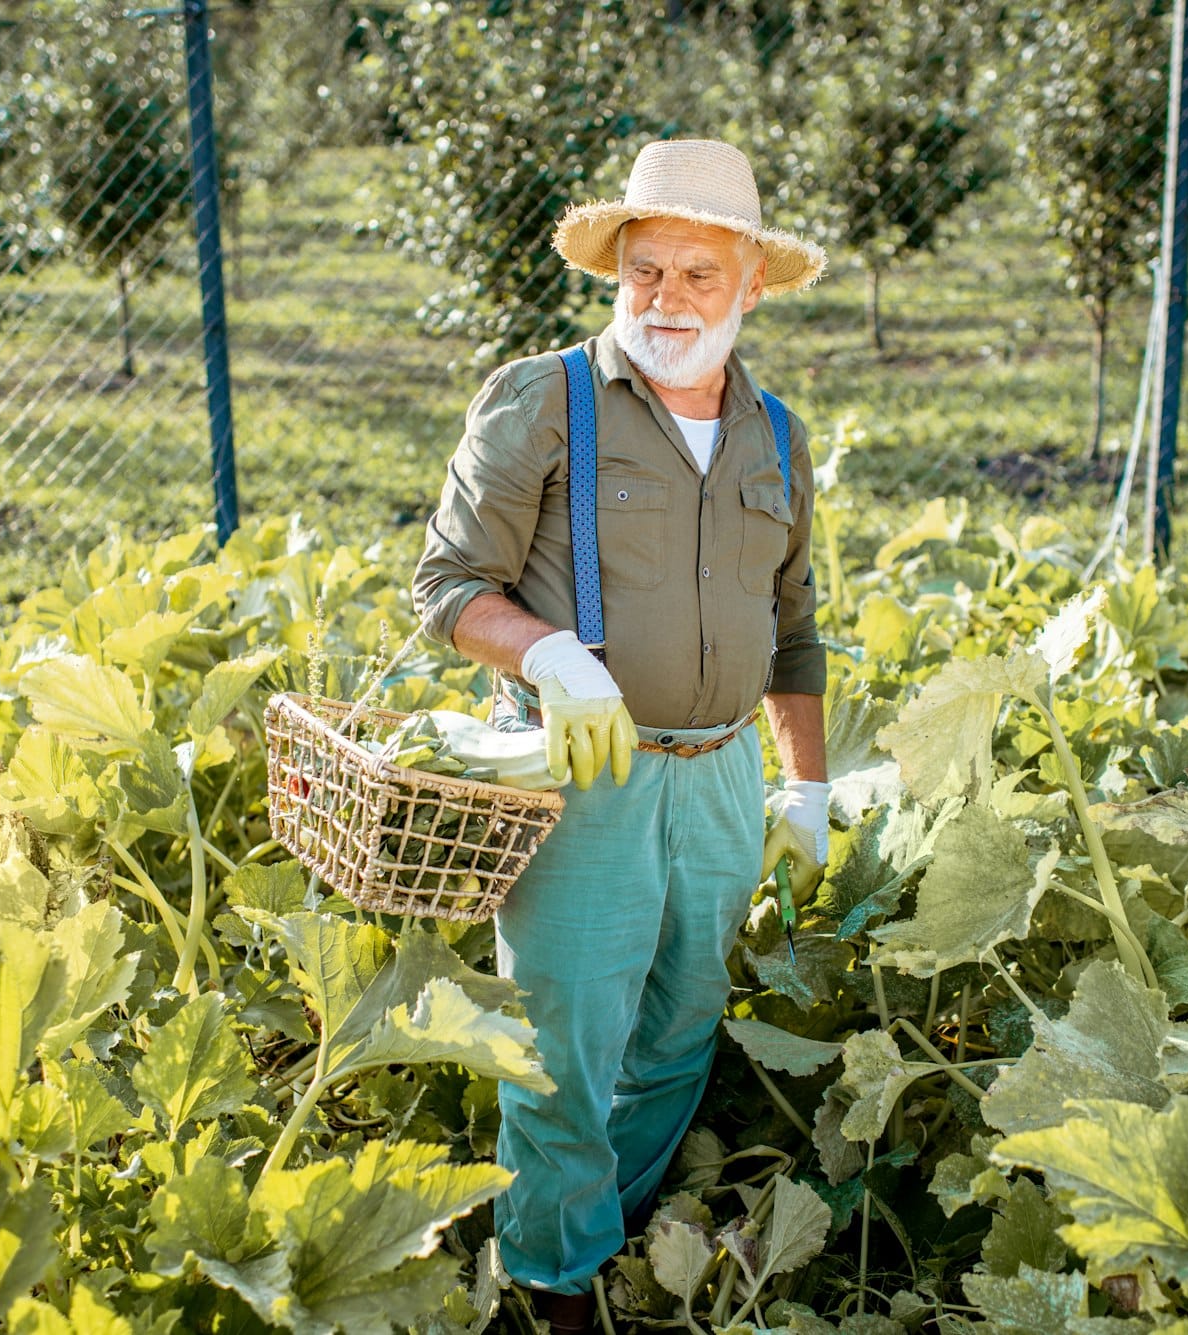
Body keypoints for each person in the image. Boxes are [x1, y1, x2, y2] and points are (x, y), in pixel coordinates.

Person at [412, 138, 832, 1335]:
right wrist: (547, 656)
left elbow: (793, 631)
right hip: (583, 772)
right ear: (614, 277)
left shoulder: (776, 435)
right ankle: (549, 1288)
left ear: (749, 286)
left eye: (699, 274)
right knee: (562, 1042)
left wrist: (802, 788)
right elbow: (447, 584)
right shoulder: (543, 400)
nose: (667, 298)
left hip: (719, 775)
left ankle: (610, 1233)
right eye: (644, 271)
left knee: (678, 1029)